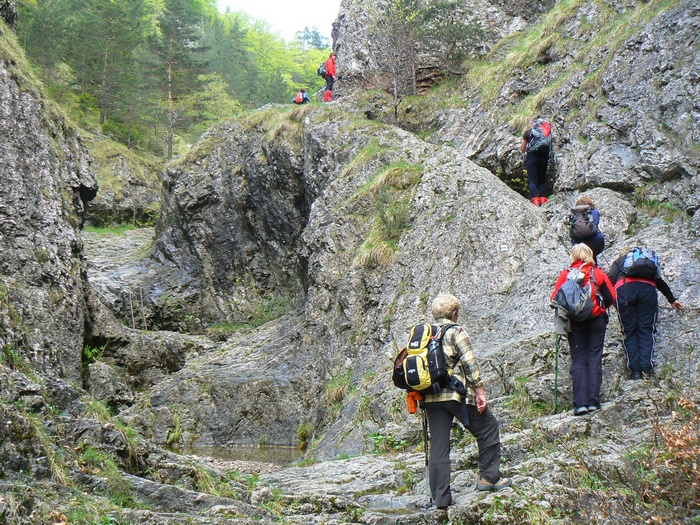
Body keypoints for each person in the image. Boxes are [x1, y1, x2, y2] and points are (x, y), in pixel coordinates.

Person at [423, 293, 512, 510]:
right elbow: (469, 363)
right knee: (488, 427)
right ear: (454, 314)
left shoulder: (424, 334)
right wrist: (480, 391)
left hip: (431, 397)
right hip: (455, 395)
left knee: (439, 445)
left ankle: (441, 498)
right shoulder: (456, 331)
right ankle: (488, 478)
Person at [550, 244, 616, 416]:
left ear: (573, 256)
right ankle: (593, 402)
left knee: (578, 359)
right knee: (594, 357)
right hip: (596, 320)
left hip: (575, 322)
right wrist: (598, 307)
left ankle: (580, 404)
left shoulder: (565, 275)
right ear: (590, 255)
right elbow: (612, 296)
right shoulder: (597, 273)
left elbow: (554, 298)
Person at [607, 247, 683, 380]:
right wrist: (672, 300)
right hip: (647, 291)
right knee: (646, 330)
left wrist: (608, 302)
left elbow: (610, 280)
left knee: (629, 331)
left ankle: (635, 372)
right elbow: (659, 281)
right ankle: (646, 370)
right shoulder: (648, 263)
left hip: (625, 292)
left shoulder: (619, 261)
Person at [519, 118, 551, 206]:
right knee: (541, 180)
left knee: (532, 180)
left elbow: (522, 148)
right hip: (543, 158)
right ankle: (543, 199)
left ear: (533, 124)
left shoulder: (529, 132)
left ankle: (535, 200)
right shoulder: (546, 134)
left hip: (532, 157)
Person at [570, 196, 605, 263]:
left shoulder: (573, 215)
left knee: (579, 260)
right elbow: (595, 224)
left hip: (578, 243)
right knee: (592, 256)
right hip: (596, 241)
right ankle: (593, 271)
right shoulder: (594, 212)